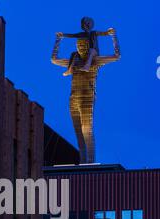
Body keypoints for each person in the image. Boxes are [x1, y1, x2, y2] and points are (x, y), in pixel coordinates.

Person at [51, 29, 120, 163]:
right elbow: (54, 59)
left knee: (87, 131)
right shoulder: (73, 62)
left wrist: (114, 37)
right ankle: (83, 163)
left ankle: (91, 162)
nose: (81, 48)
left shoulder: (95, 61)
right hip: (73, 99)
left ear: (89, 47)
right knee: (78, 134)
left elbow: (116, 56)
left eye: (84, 45)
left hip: (87, 99)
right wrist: (58, 40)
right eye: (79, 46)